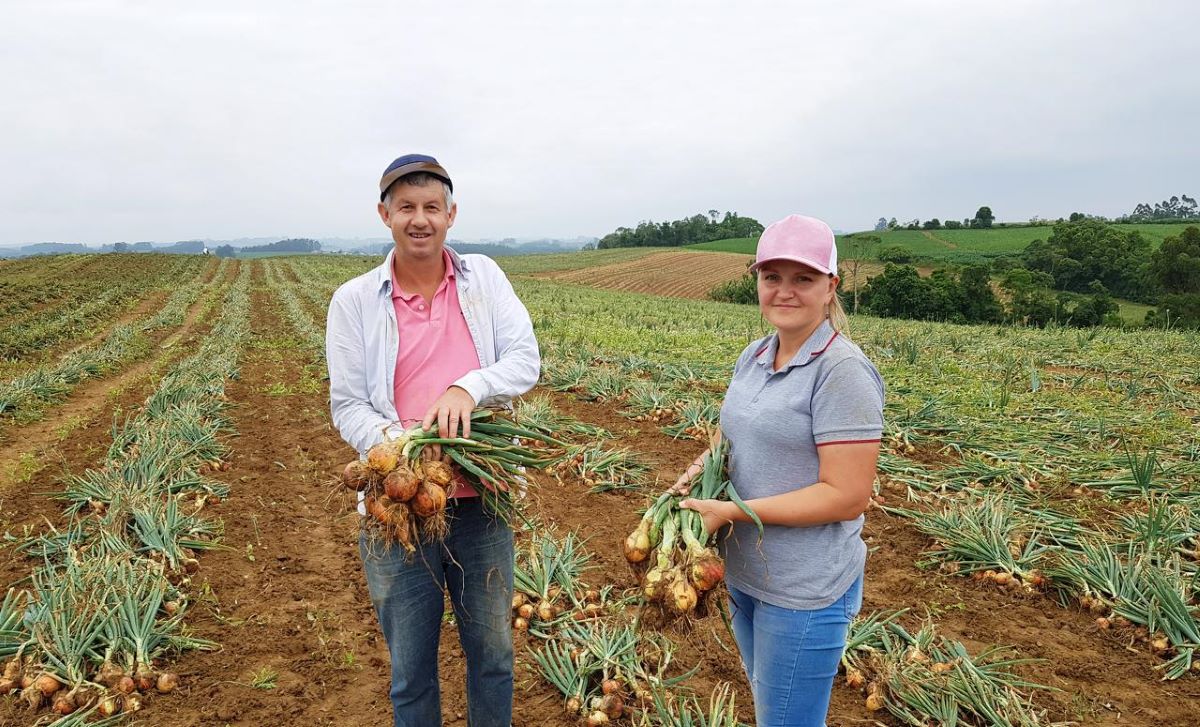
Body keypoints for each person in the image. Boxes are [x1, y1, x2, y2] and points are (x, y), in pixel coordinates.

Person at [325, 153, 539, 727]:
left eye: (431, 207)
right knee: (410, 670)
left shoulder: (484, 279)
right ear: (385, 215)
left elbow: (525, 360)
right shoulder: (353, 301)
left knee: (493, 656)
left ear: (450, 214)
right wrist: (408, 449)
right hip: (397, 506)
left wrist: (467, 388)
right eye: (406, 208)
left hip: (482, 503)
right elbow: (346, 404)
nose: (419, 219)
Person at [671, 214, 884, 727]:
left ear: (831, 287)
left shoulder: (842, 372)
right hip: (746, 572)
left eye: (803, 279)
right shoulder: (756, 355)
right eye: (773, 277)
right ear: (758, 283)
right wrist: (696, 472)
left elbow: (847, 494)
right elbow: (730, 439)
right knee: (771, 706)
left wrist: (732, 512)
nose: (784, 291)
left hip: (802, 589)